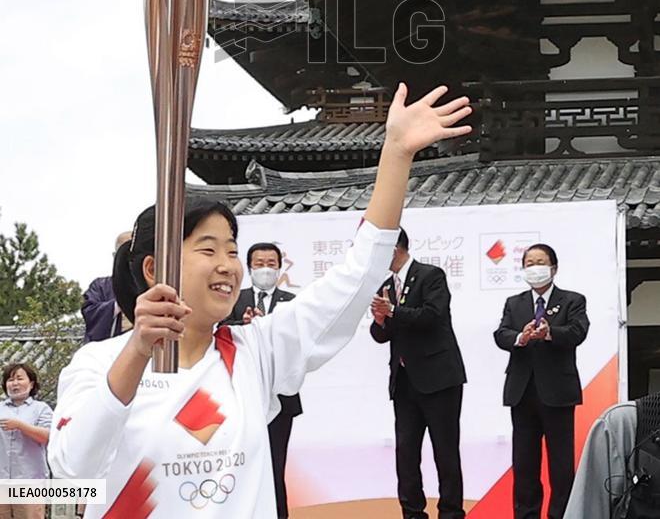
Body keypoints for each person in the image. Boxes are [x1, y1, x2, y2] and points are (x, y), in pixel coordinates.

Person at [48, 82, 472, 518]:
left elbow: (358, 275)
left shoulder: (254, 353)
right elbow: (72, 468)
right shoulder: (99, 365)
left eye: (232, 251)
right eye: (209, 249)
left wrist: (396, 154)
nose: (228, 266)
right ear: (154, 269)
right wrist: (139, 351)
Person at [369, 227, 467, 519]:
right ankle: (412, 512)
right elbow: (382, 334)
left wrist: (393, 311)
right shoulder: (386, 285)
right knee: (406, 452)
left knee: (445, 451)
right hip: (404, 382)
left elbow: (432, 316)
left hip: (439, 379)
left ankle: (451, 512)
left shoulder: (430, 275)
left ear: (394, 248)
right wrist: (380, 320)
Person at [494, 244, 590, 519]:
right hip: (522, 391)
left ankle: (561, 514)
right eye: (529, 263)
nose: (534, 268)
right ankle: (526, 514)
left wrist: (549, 333)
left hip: (558, 392)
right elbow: (501, 334)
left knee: (561, 464)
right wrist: (520, 338)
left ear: (553, 268)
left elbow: (578, 331)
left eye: (540, 262)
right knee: (524, 463)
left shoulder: (572, 300)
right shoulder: (515, 303)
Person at [229, 242, 302, 519]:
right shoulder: (234, 299)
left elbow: (298, 342)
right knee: (244, 465)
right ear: (249, 268)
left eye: (271, 264)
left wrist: (267, 329)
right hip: (243, 396)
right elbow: (219, 333)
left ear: (280, 268)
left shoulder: (292, 302)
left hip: (281, 397)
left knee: (275, 464)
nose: (265, 269)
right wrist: (244, 327)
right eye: (259, 264)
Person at [0, 362, 53, 519]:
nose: (15, 383)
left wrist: (20, 426)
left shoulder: (41, 409)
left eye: (19, 378)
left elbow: (48, 436)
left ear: (31, 384)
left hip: (30, 482)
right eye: (10, 380)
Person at [81, 231, 132, 342]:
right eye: (123, 253)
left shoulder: (151, 284)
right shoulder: (100, 286)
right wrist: (121, 304)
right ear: (115, 256)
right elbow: (90, 312)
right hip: (110, 347)